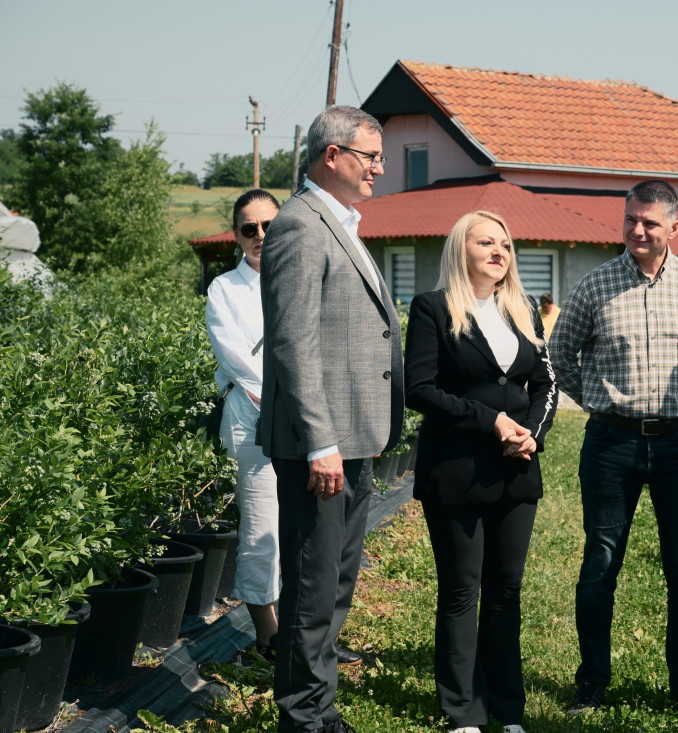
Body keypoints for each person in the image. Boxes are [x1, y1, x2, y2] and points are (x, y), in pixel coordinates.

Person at [548, 180, 678, 716]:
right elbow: (558, 358)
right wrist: (600, 404)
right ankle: (592, 680)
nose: (637, 230)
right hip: (613, 443)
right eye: (631, 219)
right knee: (600, 560)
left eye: (650, 223)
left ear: (675, 227)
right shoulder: (594, 285)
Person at [259, 106, 404, 733]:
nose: (379, 166)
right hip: (321, 447)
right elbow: (294, 344)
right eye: (368, 155)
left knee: (336, 583)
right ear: (331, 156)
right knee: (314, 590)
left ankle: (318, 708)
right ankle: (305, 718)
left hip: (354, 441)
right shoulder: (300, 225)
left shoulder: (340, 222)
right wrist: (320, 442)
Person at [405, 210, 557, 733]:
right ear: (460, 250)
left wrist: (532, 432)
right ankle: (462, 711)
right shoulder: (432, 308)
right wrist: (491, 421)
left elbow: (545, 383)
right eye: (486, 242)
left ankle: (508, 709)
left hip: (516, 470)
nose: (499, 252)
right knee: (461, 590)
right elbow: (419, 389)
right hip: (456, 470)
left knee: (505, 591)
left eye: (506, 245)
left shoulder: (524, 311)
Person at [205, 188, 281, 657]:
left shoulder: (302, 277)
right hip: (254, 423)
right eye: (249, 228)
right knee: (260, 530)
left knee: (308, 533)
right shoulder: (224, 289)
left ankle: (308, 638)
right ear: (236, 235)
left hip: (310, 425)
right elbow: (235, 356)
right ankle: (269, 640)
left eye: (268, 225)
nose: (260, 235)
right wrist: (281, 398)